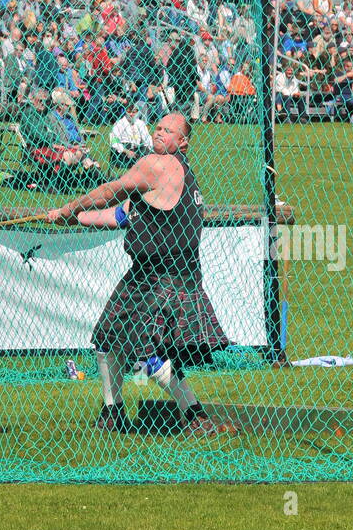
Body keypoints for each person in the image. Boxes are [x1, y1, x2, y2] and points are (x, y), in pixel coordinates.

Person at [45, 112, 229, 436]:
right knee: (109, 336)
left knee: (146, 352)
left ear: (183, 142)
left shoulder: (159, 165)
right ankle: (113, 412)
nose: (159, 133)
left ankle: (196, 418)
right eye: (157, 127)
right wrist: (78, 219)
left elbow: (111, 190)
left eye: (168, 131)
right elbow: (121, 214)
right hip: (156, 275)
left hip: (162, 277)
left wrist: (67, 210)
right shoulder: (177, 174)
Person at [110, 103, 151, 168]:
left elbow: (147, 139)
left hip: (138, 149)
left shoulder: (140, 123)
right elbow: (114, 140)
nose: (131, 114)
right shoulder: (119, 123)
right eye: (129, 112)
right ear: (125, 111)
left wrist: (149, 148)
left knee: (147, 151)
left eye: (134, 112)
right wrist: (126, 151)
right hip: (124, 150)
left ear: (138, 112)